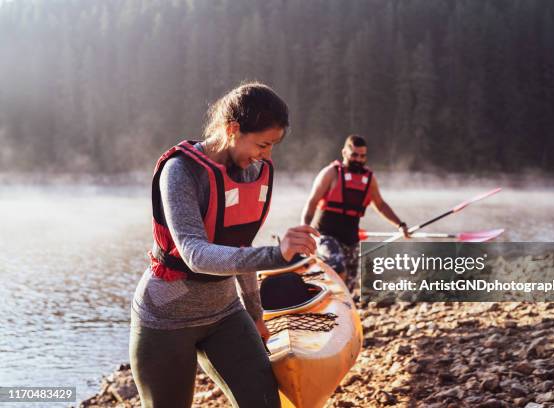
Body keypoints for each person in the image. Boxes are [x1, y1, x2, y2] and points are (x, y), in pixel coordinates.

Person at [130, 82, 319, 408]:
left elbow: (239, 249)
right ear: (232, 129)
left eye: (273, 146)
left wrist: (256, 314)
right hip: (167, 317)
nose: (266, 155)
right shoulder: (181, 171)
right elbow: (194, 253)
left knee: (263, 404)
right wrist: (277, 255)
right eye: (262, 144)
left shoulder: (251, 170)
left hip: (225, 313)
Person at [301, 135, 409, 292]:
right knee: (337, 268)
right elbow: (311, 204)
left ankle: (340, 312)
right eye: (354, 155)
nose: (359, 159)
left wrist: (400, 224)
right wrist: (304, 230)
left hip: (351, 240)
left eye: (363, 156)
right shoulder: (331, 173)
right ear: (344, 152)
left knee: (348, 289)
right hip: (325, 235)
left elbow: (380, 205)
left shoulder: (369, 179)